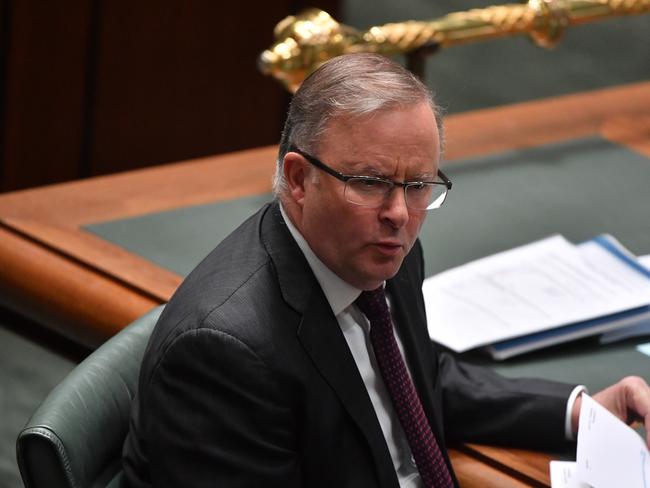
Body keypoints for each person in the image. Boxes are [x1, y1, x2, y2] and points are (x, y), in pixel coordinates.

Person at [122, 53, 650, 488]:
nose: (399, 213)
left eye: (419, 186)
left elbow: (420, 376)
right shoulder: (224, 355)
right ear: (300, 179)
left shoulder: (380, 252)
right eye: (370, 182)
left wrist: (578, 410)